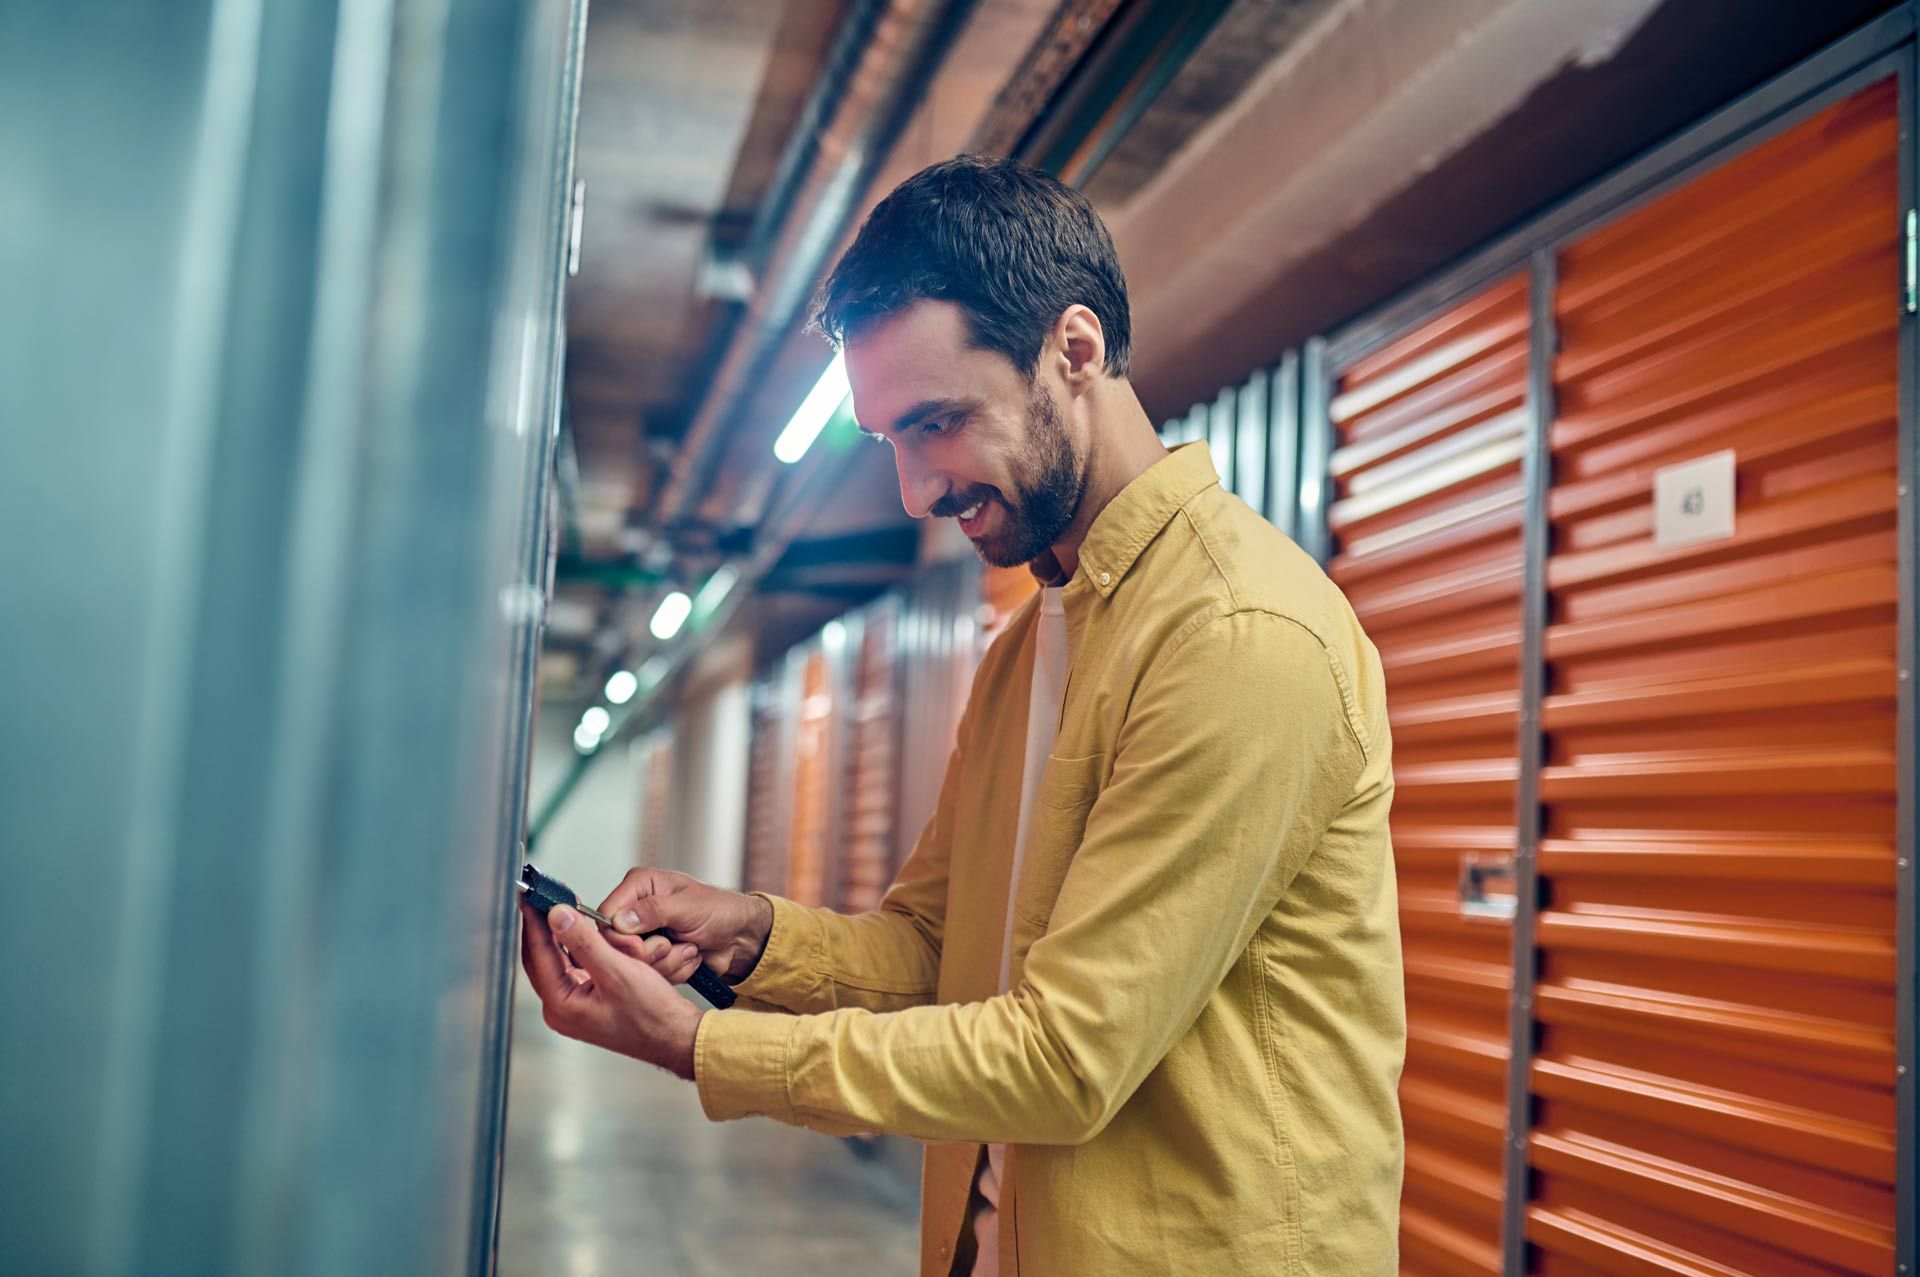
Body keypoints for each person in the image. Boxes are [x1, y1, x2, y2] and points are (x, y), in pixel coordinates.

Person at [518, 154, 1404, 1275]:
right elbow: (941, 951)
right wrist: (746, 932)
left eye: (935, 421)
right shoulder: (1031, 643)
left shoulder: (1239, 635)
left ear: (1074, 351)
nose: (915, 489)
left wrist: (706, 1045)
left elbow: (1068, 1054)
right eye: (888, 439)